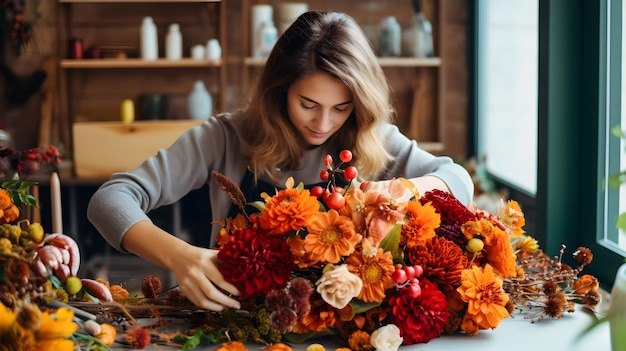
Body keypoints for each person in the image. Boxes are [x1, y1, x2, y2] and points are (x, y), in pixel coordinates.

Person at [87, 10, 473, 312]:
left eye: (341, 108)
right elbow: (110, 200)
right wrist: (180, 257)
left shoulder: (373, 139)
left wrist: (404, 188)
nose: (323, 124)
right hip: (235, 326)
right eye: (308, 104)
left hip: (338, 333)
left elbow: (458, 179)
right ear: (280, 90)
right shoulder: (224, 137)